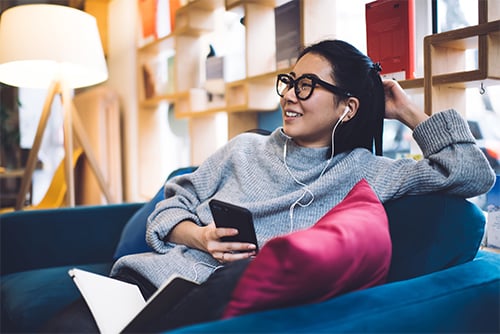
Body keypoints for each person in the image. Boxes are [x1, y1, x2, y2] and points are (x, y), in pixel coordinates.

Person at [44, 39, 496, 332]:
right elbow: (170, 206)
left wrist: (409, 113)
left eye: (306, 85)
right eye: (288, 82)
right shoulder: (244, 149)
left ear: (347, 107)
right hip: (150, 286)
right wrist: (197, 235)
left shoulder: (368, 172)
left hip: (219, 302)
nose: (288, 95)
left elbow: (474, 174)